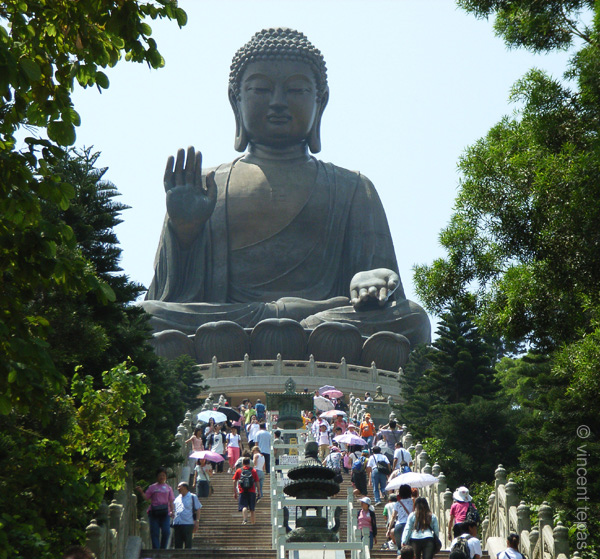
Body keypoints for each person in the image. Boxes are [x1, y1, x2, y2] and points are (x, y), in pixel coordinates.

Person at [141, 28, 431, 352]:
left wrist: (371, 283)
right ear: (235, 100)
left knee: (414, 319)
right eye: (261, 89)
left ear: (320, 102)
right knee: (142, 319)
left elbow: (382, 288)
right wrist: (184, 232)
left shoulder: (352, 188)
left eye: (295, 89)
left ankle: (295, 333)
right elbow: (165, 298)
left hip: (324, 320)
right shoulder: (206, 185)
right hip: (231, 321)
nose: (278, 102)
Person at [135, 468, 175, 549]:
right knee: (154, 532)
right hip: (154, 512)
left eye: (163, 475)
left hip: (165, 512)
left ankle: (163, 549)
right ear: (157, 477)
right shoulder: (152, 487)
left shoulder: (168, 488)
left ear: (166, 477)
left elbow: (171, 500)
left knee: (166, 531)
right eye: (160, 475)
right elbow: (146, 498)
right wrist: (141, 492)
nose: (162, 477)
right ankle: (156, 549)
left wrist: (172, 511)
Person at [172, 481, 201, 549]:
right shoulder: (177, 498)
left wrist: (197, 521)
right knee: (177, 545)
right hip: (177, 523)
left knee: (188, 544)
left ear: (185, 487)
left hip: (188, 524)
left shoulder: (192, 497)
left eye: (179, 487)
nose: (178, 488)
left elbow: (198, 509)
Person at [233, 456, 260, 525]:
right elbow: (257, 481)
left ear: (242, 463)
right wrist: (259, 491)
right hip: (252, 491)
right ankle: (253, 523)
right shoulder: (253, 470)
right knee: (252, 509)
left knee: (244, 506)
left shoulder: (239, 470)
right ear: (249, 463)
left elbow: (234, 481)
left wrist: (235, 491)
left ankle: (245, 520)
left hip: (242, 491)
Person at [389, 484, 414, 553]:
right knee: (410, 549)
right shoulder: (413, 502)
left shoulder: (398, 503)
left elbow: (393, 516)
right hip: (410, 526)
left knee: (400, 548)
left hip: (399, 526)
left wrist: (389, 529)